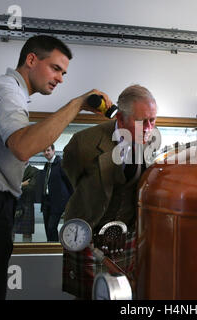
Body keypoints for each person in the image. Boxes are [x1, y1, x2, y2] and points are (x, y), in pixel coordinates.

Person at [0, 35, 112, 300]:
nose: (60, 78)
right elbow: (24, 146)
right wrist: (77, 104)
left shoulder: (6, 92)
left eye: (64, 73)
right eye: (56, 68)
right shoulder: (7, 93)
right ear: (31, 60)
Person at [61, 84, 157, 299]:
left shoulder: (150, 141)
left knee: (125, 295)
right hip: (87, 234)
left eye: (153, 120)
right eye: (143, 122)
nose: (150, 128)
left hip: (126, 237)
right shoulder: (84, 143)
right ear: (121, 120)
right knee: (89, 295)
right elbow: (72, 173)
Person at [40, 144, 73, 242]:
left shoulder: (61, 163)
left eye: (48, 150)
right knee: (47, 228)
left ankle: (55, 248)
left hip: (57, 202)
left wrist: (71, 200)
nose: (46, 153)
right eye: (44, 151)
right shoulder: (47, 165)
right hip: (46, 201)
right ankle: (50, 248)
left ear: (54, 151)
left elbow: (69, 183)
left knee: (51, 227)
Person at [12, 162, 39, 242]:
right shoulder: (12, 169)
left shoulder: (34, 170)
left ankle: (27, 250)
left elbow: (31, 188)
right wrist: (22, 184)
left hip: (27, 204)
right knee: (10, 231)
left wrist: (16, 186)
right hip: (13, 203)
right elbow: (8, 184)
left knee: (27, 233)